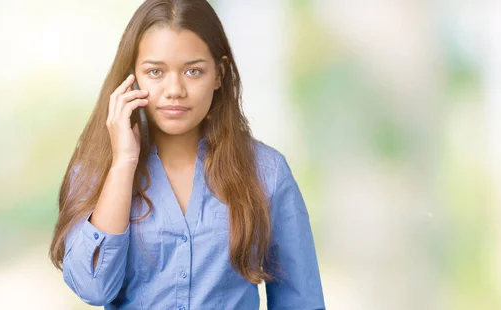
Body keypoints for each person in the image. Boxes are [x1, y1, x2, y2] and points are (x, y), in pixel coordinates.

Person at [48, 0, 325, 309]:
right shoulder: (97, 171)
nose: (175, 89)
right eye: (155, 72)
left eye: (193, 71)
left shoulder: (267, 171)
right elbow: (93, 288)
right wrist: (123, 163)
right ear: (132, 78)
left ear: (219, 74)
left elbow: (301, 300)